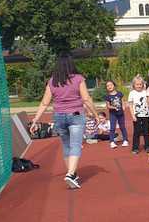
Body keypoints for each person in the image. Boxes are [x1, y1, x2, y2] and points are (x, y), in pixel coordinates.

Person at [29, 54, 100, 189]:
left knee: (67, 146)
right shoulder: (78, 79)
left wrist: (35, 120)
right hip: (76, 115)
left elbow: (44, 103)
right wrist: (95, 114)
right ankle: (71, 174)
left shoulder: (52, 81)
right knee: (76, 144)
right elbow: (86, 99)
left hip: (59, 116)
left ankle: (72, 174)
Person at [127, 75, 149, 154]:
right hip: (137, 116)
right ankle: (135, 148)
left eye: (140, 84)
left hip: (146, 115)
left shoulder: (145, 92)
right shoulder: (132, 93)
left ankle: (147, 146)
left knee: (146, 132)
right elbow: (130, 105)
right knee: (136, 132)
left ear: (143, 84)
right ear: (134, 85)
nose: (139, 86)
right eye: (137, 84)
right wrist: (133, 115)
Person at [104, 80, 128, 147]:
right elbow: (108, 106)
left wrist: (123, 106)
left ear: (114, 85)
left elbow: (122, 101)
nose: (109, 87)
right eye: (107, 86)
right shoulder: (107, 96)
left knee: (122, 127)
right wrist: (113, 107)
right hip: (113, 114)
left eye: (111, 85)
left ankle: (125, 140)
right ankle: (112, 141)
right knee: (112, 128)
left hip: (121, 113)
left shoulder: (119, 93)